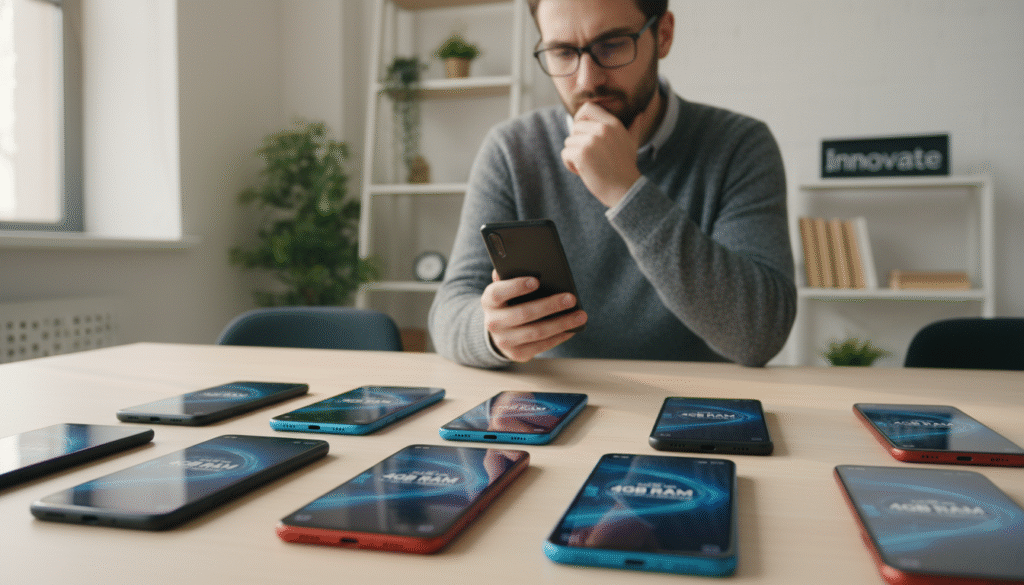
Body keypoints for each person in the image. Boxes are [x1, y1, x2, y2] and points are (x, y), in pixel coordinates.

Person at [428, 0, 796, 369]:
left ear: (663, 35)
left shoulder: (740, 145)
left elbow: (761, 335)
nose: (587, 80)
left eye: (613, 44)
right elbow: (449, 309)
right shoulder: (512, 150)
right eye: (562, 52)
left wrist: (626, 191)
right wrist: (492, 332)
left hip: (695, 409)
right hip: (559, 401)